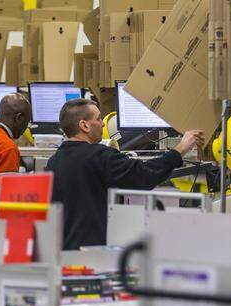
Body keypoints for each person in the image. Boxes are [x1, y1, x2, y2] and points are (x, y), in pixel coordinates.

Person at [45, 98, 204, 250]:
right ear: (84, 125)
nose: (102, 124)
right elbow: (145, 174)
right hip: (91, 254)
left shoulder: (53, 162)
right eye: (99, 119)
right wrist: (181, 148)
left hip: (62, 253)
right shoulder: (100, 157)